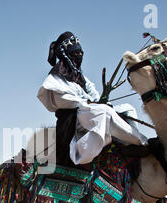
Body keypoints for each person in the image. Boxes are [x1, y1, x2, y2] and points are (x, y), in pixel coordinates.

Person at [37, 31, 148, 167]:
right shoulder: (56, 76)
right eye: (74, 54)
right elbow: (63, 100)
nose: (78, 56)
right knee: (104, 112)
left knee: (127, 108)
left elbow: (93, 94)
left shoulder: (80, 77)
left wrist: (102, 100)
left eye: (80, 53)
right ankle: (143, 143)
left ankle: (129, 144)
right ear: (66, 55)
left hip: (89, 111)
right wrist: (90, 103)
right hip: (74, 118)